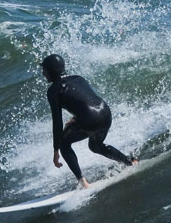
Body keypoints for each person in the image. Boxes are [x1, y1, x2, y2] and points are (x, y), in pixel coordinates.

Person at [42, 54, 136, 188]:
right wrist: (76, 118)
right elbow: (87, 100)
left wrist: (56, 149)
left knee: (63, 142)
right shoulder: (79, 78)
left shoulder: (53, 90)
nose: (43, 73)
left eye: (44, 70)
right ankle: (130, 161)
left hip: (90, 119)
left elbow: (57, 121)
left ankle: (82, 181)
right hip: (105, 113)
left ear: (50, 71)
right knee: (96, 146)